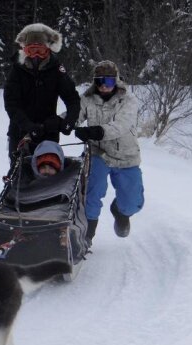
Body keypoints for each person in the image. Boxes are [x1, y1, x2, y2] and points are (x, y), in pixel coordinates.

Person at [74, 60, 144, 246]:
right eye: (100, 81)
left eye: (109, 82)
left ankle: (121, 212)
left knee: (133, 202)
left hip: (125, 155)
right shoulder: (87, 99)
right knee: (93, 192)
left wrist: (95, 131)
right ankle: (87, 236)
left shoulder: (128, 100)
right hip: (99, 153)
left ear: (116, 81)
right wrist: (60, 124)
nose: (104, 86)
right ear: (94, 82)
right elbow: (74, 115)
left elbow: (121, 125)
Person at [3, 23, 80, 166]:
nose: (36, 55)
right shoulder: (17, 70)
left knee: (49, 177)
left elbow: (72, 98)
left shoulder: (57, 69)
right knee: (19, 175)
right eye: (32, 50)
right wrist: (27, 126)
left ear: (48, 50)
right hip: (20, 132)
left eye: (41, 50)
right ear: (25, 50)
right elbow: (11, 103)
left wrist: (70, 120)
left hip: (48, 131)